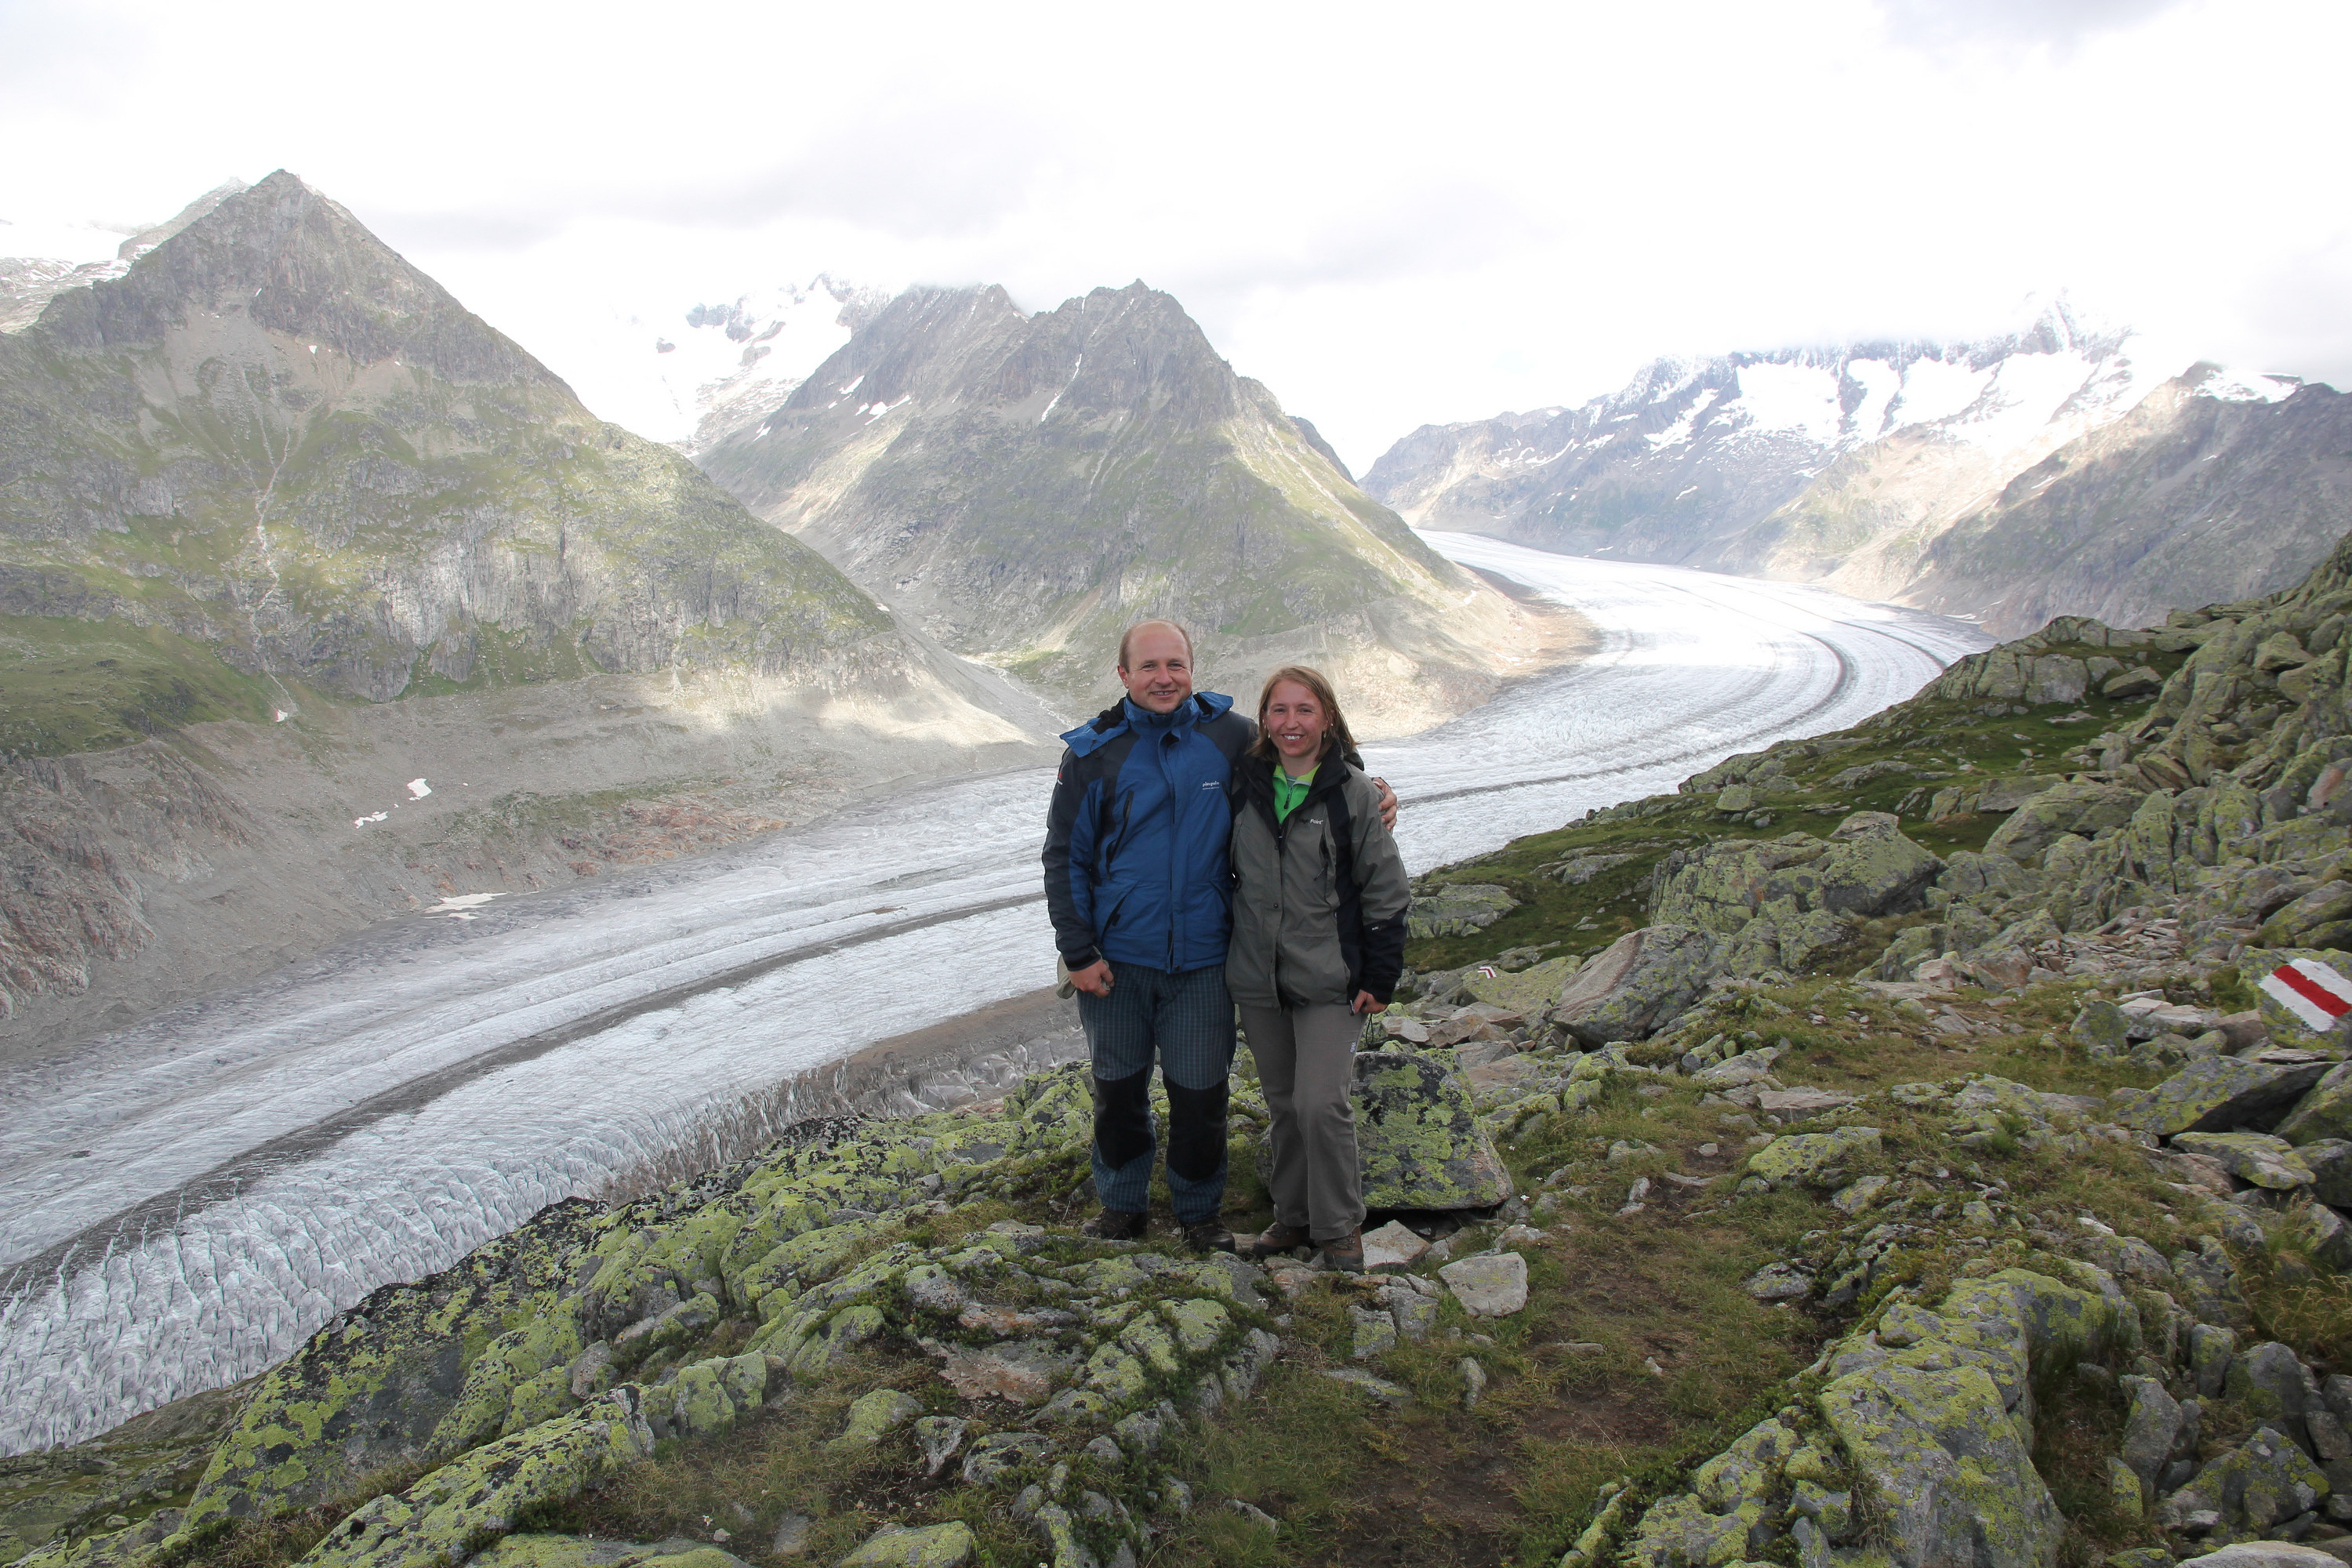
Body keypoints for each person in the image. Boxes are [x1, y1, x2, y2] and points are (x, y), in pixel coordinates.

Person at [1041, 621, 1393, 1252]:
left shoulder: (1228, 736)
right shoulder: (1093, 754)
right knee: (1118, 1093)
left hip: (1206, 958)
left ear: (1192, 668)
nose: (1164, 678)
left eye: (1175, 665)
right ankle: (1122, 1206)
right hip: (1116, 960)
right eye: (1149, 667)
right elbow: (1064, 855)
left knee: (1201, 1096)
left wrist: (1375, 790)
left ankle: (1199, 1214)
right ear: (1123, 675)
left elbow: (1307, 753)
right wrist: (1078, 952)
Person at [1224, 665, 1410, 1273]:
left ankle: (1339, 1228)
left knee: (1320, 1103)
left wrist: (1379, 976)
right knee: (1283, 1103)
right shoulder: (1244, 783)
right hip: (1259, 976)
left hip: (1331, 978)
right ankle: (1294, 1216)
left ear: (1327, 717)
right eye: (1279, 711)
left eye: (1304, 710)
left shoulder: (1353, 793)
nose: (1291, 723)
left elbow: (1384, 888)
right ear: (1264, 719)